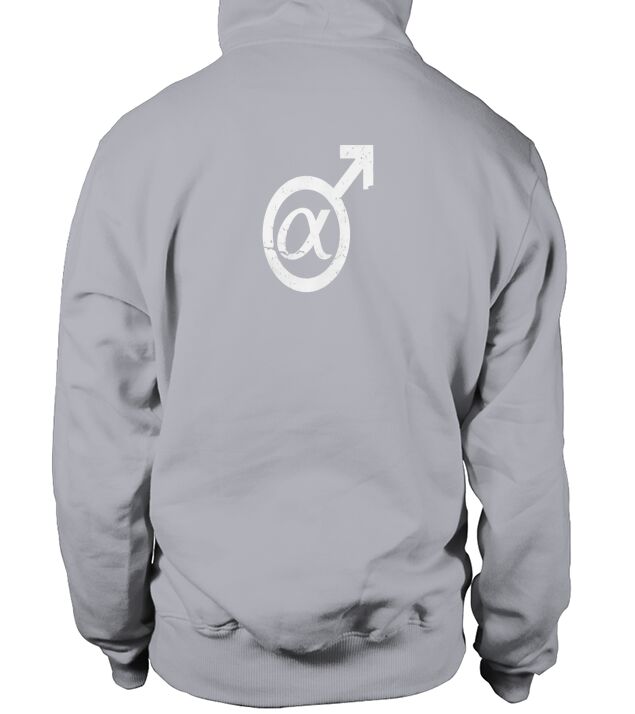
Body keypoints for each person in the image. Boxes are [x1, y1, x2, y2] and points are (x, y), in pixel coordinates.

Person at [52, 0, 571, 706]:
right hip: (416, 663)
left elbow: (101, 431)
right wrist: (516, 647)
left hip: (200, 656)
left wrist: (116, 629)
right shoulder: (496, 158)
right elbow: (523, 449)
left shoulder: (139, 154)